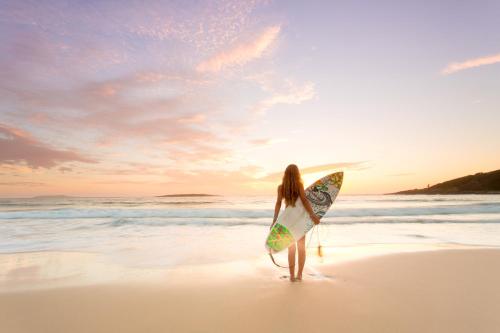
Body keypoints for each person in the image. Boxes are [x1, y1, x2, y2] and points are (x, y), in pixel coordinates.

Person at [270, 164, 320, 282]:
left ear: (285, 174)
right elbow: (304, 200)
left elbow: (278, 204)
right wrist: (312, 215)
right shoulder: (299, 185)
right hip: (299, 220)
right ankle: (299, 275)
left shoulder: (281, 187)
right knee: (301, 248)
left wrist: (275, 220)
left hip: (288, 221)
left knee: (291, 249)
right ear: (297, 174)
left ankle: (292, 276)